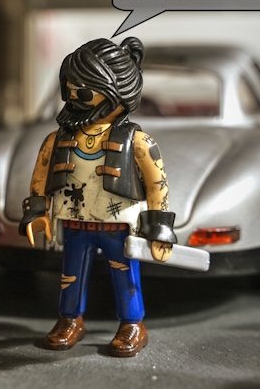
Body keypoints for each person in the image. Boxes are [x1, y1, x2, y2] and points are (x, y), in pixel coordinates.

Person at [19, 37, 177, 357]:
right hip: (74, 223)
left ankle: (132, 323)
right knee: (70, 274)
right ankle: (70, 319)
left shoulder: (138, 141)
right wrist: (37, 212)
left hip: (118, 226)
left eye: (84, 91)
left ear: (116, 91)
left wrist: (159, 229)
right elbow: (40, 178)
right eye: (70, 90)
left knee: (125, 274)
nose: (74, 98)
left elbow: (157, 184)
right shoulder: (56, 140)